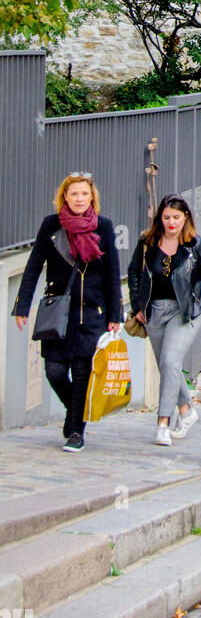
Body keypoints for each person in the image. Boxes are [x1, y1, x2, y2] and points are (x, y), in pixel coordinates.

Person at [12, 173, 122, 452]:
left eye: (84, 194)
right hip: (58, 313)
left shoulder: (104, 227)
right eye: (74, 194)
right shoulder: (51, 226)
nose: (79, 199)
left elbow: (112, 273)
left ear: (91, 198)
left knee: (83, 373)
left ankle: (76, 431)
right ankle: (74, 412)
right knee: (54, 371)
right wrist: (22, 306)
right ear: (64, 197)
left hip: (92, 314)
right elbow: (34, 265)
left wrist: (114, 315)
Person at [127, 194, 201, 447]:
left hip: (186, 312)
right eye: (167, 217)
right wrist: (137, 304)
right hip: (154, 311)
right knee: (166, 366)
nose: (171, 222)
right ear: (160, 217)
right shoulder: (148, 242)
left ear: (186, 218)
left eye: (176, 217)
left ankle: (163, 424)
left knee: (170, 361)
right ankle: (187, 411)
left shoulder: (196, 246)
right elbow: (134, 272)